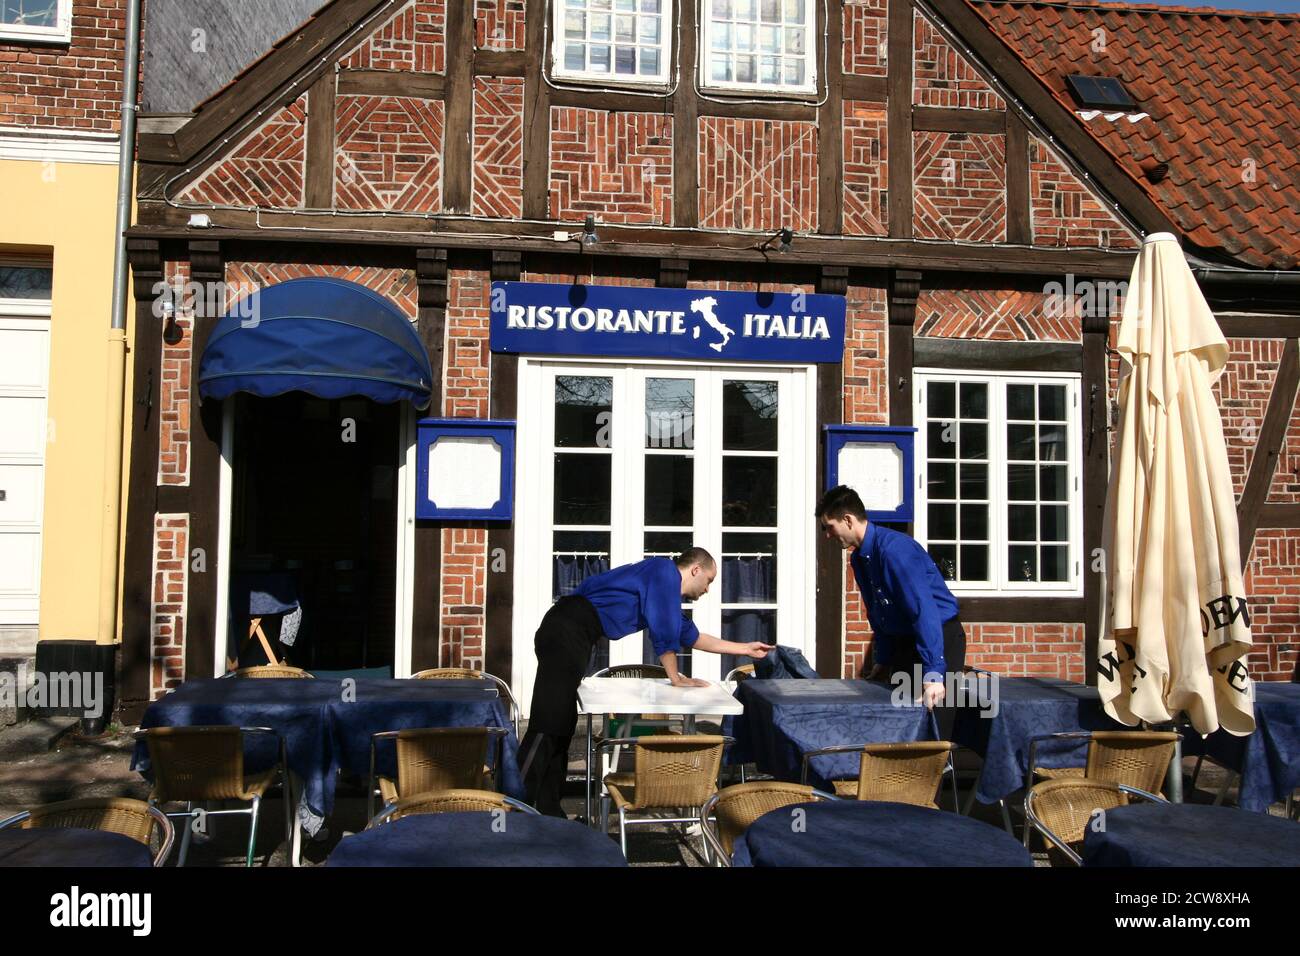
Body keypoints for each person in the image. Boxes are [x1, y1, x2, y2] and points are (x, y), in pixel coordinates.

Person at [517, 547, 771, 817]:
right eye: (709, 580)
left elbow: (691, 636)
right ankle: (512, 804)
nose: (708, 589)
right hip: (566, 628)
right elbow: (663, 633)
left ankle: (548, 812)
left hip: (576, 635)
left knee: (561, 725)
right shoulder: (663, 572)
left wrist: (745, 648)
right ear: (695, 569)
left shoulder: (665, 595)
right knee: (548, 722)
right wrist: (675, 677)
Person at [816, 485, 967, 737]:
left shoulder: (894, 550)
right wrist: (883, 659)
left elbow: (923, 611)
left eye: (829, 527)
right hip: (904, 644)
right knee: (900, 725)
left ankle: (937, 777)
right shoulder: (859, 559)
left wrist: (933, 672)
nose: (828, 536)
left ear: (848, 520)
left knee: (933, 730)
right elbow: (878, 613)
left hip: (938, 640)